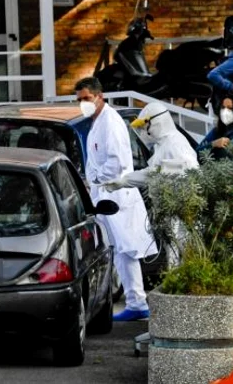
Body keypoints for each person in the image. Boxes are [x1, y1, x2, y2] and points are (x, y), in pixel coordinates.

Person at [75, 77, 158, 322]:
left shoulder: (109, 123)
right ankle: (133, 301)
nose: (83, 104)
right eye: (79, 100)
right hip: (106, 194)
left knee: (126, 250)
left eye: (87, 99)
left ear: (100, 96)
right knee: (118, 250)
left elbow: (117, 163)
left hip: (116, 194)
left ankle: (137, 302)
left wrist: (96, 179)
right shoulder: (97, 122)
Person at [105, 102, 200, 189]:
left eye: (143, 127)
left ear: (156, 122)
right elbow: (153, 173)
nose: (143, 132)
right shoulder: (162, 144)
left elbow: (192, 174)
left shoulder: (175, 144)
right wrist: (125, 181)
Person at [196, 96, 233, 160]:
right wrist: (213, 144)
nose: (225, 111)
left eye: (229, 108)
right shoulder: (216, 131)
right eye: (223, 107)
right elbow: (197, 151)